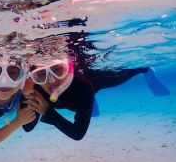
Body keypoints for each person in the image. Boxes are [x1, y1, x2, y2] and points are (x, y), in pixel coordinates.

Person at [24, 58, 170, 141]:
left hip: (91, 83)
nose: (51, 81)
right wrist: (24, 98)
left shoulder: (84, 87)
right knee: (84, 102)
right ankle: (89, 104)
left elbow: (77, 134)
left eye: (58, 70)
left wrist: (48, 111)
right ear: (34, 77)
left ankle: (145, 70)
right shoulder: (35, 88)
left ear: (68, 68)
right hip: (78, 100)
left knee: (120, 77)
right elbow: (28, 127)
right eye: (41, 75)